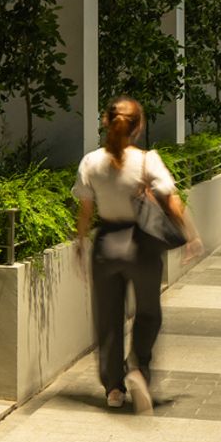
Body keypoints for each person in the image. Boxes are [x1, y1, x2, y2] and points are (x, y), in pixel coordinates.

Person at [72, 96, 202, 413]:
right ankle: (138, 369)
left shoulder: (91, 162)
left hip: (106, 244)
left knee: (108, 319)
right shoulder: (147, 161)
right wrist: (191, 235)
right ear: (138, 126)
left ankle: (113, 389)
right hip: (141, 245)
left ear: (106, 121)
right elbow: (170, 201)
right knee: (148, 313)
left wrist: (80, 243)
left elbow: (85, 209)